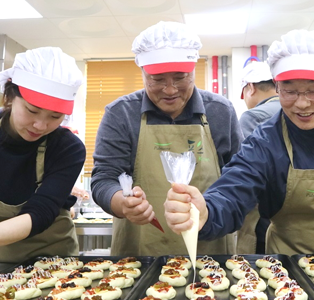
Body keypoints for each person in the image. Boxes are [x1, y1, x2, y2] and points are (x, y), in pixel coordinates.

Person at [165, 29, 314, 255]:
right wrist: (207, 212)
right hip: (288, 272)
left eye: (313, 91)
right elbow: (233, 191)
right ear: (276, 86)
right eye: (289, 91)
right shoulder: (265, 141)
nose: (301, 104)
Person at [91, 21, 243, 256]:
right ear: (142, 72)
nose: (170, 90)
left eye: (181, 77)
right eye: (158, 79)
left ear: (194, 70)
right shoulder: (120, 114)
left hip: (210, 254)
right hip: (140, 256)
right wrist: (122, 202)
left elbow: (238, 183)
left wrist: (211, 211)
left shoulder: (220, 112)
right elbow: (103, 179)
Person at [0, 47, 85, 262]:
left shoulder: (67, 147)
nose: (40, 125)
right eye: (32, 111)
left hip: (54, 266)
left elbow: (41, 212)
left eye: (55, 116)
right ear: (9, 97)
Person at [238, 60, 280, 254]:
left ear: (251, 87)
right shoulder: (301, 111)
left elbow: (247, 171)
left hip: (267, 216)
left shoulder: (253, 117)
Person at [239, 61, 281, 137]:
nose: (244, 100)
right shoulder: (295, 109)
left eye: (243, 94)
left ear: (251, 87)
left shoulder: (252, 118)